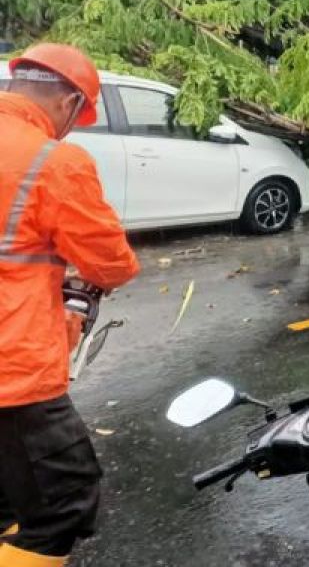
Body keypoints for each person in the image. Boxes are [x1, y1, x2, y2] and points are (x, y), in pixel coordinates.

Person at [0, 44, 140, 567]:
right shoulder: (52, 161)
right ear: (67, 101)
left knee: (10, 496)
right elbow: (111, 263)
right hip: (13, 373)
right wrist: (79, 289)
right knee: (64, 501)